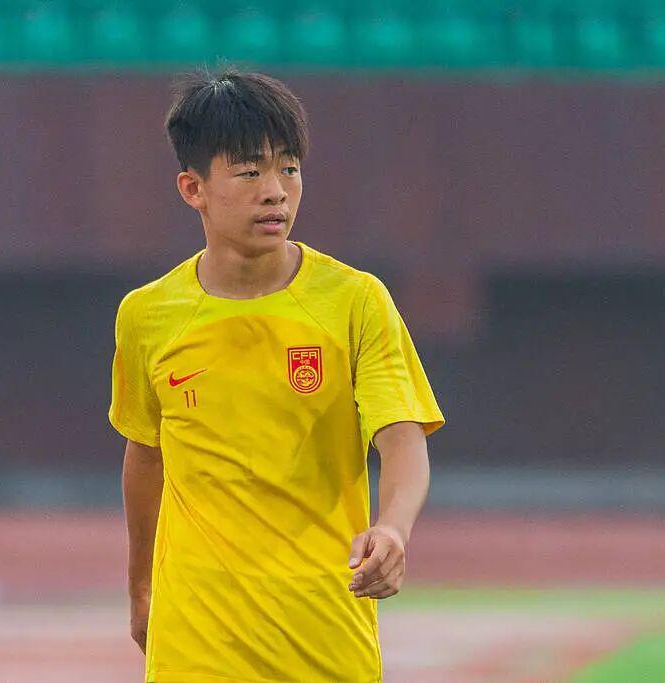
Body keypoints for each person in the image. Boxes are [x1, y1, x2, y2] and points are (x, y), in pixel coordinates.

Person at [110, 69, 444, 683]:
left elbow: (402, 439)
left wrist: (393, 529)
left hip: (324, 635)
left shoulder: (355, 302)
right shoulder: (147, 316)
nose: (275, 192)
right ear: (193, 188)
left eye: (289, 168)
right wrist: (140, 590)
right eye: (249, 172)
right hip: (195, 643)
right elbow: (145, 456)